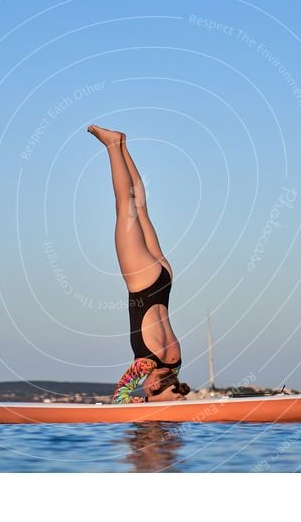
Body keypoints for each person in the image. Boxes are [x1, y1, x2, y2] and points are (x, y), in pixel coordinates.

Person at [88, 125, 191, 403]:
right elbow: (120, 397)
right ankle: (113, 146)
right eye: (146, 391)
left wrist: (162, 397)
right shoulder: (145, 366)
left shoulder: (175, 362)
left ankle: (122, 145)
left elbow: (165, 391)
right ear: (154, 386)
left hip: (163, 278)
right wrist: (141, 402)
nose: (141, 389)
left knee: (140, 207)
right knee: (125, 207)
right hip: (143, 281)